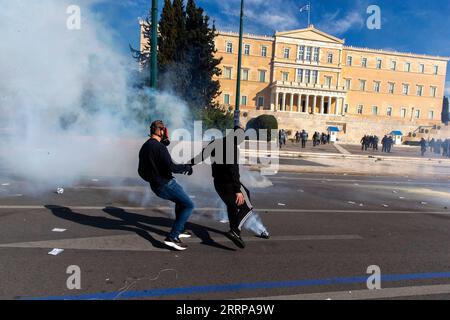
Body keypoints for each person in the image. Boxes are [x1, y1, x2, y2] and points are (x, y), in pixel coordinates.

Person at [189, 127, 260, 249]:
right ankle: (235, 231)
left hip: (218, 183)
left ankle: (234, 231)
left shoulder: (216, 142)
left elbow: (202, 155)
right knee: (248, 207)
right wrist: (238, 190)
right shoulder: (232, 147)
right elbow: (233, 169)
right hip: (230, 184)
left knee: (232, 206)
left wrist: (188, 164)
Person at [138, 120, 194, 251]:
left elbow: (140, 170)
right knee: (189, 205)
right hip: (166, 183)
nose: (165, 134)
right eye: (164, 131)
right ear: (160, 131)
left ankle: (179, 229)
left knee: (180, 202)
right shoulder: (159, 147)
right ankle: (172, 237)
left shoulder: (145, 146)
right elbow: (172, 167)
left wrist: (152, 178)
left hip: (156, 184)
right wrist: (186, 168)